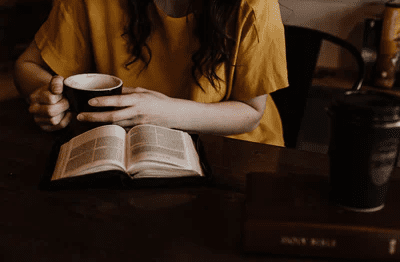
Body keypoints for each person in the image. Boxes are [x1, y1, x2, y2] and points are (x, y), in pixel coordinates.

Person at [13, 0, 288, 146]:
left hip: (231, 150)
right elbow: (28, 67)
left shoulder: (254, 4)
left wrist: (163, 114)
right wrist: (47, 97)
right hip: (117, 146)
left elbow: (251, 112)